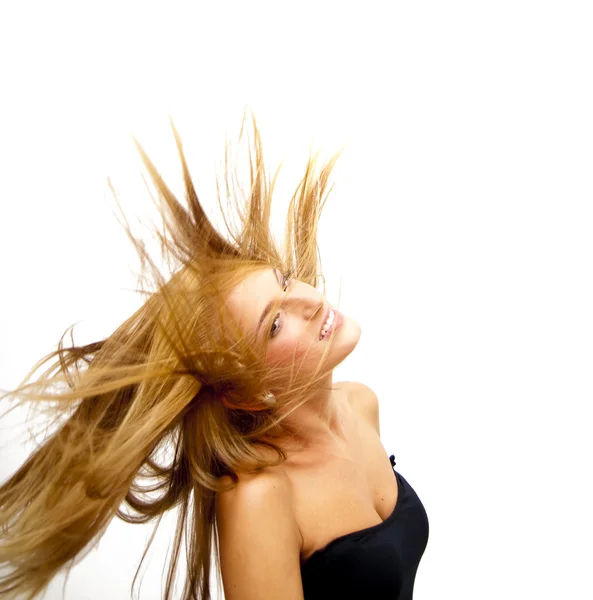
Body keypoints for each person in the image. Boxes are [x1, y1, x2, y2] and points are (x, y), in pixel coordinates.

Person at [0, 113, 429, 600]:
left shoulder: (360, 406)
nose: (310, 302)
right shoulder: (260, 497)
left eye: (285, 281)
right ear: (246, 395)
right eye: (274, 323)